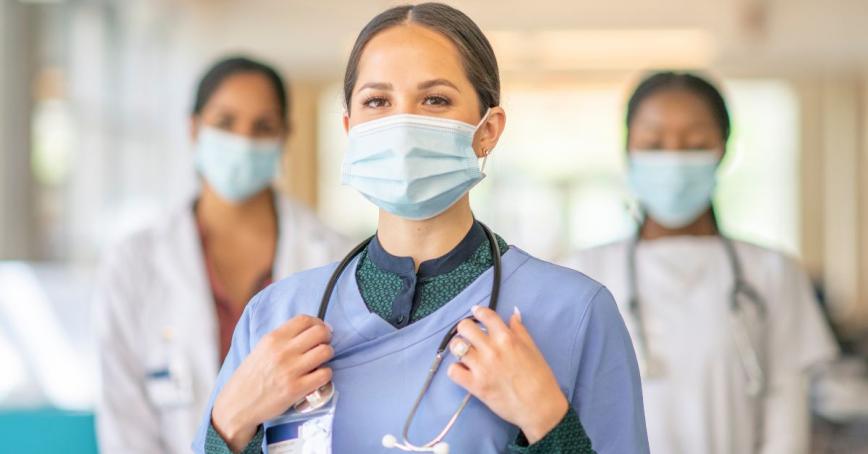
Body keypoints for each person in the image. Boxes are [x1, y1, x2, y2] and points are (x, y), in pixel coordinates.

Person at [193, 4, 649, 454]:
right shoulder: (275, 315)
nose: (402, 124)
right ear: (351, 128)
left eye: (435, 99)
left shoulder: (573, 313)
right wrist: (229, 423)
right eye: (377, 101)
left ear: (488, 129)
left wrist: (548, 423)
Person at [565, 71, 838, 454]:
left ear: (723, 148)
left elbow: (786, 421)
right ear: (629, 149)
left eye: (694, 142)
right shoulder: (581, 273)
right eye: (654, 143)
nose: (674, 158)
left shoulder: (773, 272)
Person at [94, 56, 348, 453]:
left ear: (285, 136)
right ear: (193, 129)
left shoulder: (333, 257)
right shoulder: (134, 263)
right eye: (226, 123)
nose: (243, 141)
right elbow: (124, 420)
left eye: (262, 127)